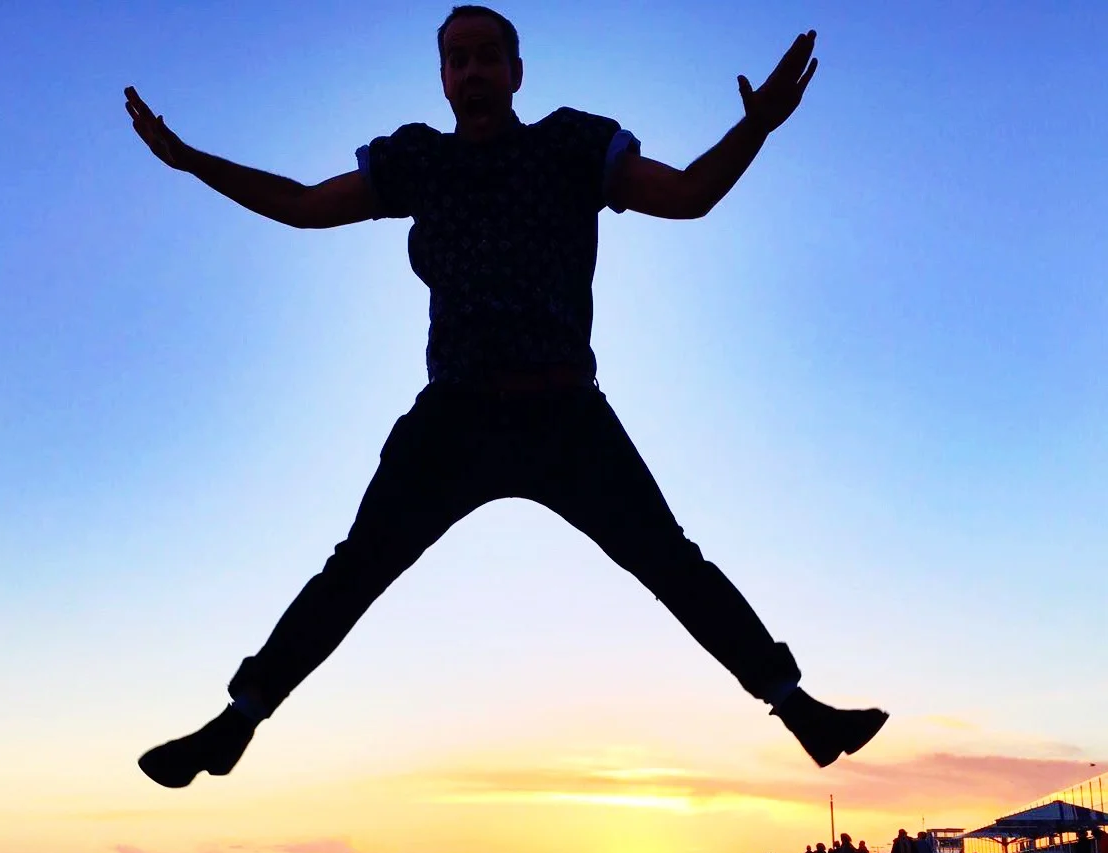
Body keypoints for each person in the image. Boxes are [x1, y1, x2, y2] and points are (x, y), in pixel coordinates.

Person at [127, 6, 891, 791]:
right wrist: (190, 160)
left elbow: (690, 193)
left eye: (487, 56)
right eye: (456, 59)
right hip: (455, 416)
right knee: (354, 568)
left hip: (564, 412)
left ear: (516, 71)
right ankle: (238, 718)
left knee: (670, 560)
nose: (473, 71)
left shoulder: (569, 145)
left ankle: (796, 705)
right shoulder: (420, 161)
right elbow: (301, 204)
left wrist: (755, 128)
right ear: (442, 79)